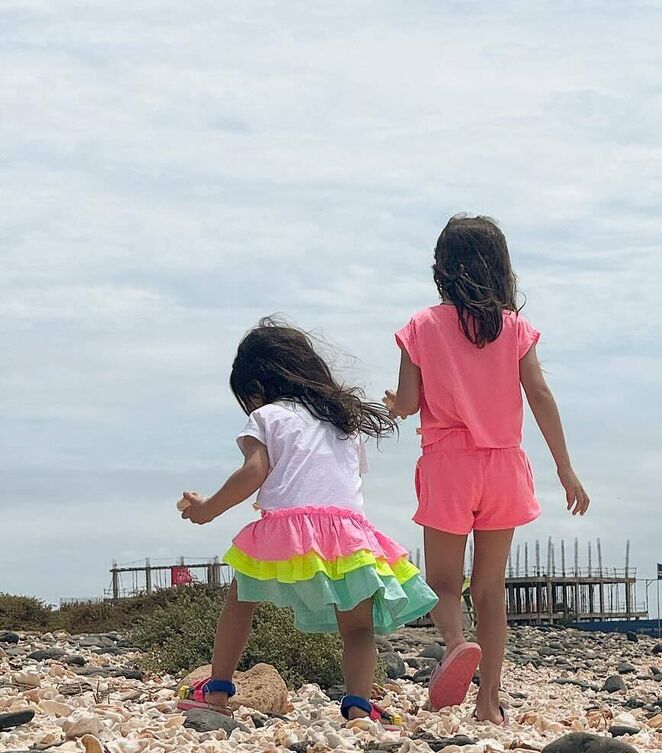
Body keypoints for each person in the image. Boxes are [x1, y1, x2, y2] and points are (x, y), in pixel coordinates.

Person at [177, 317, 437, 725]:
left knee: (241, 603)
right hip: (347, 533)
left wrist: (208, 508)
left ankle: (218, 689)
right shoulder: (344, 421)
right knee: (357, 628)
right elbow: (337, 482)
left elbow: (254, 470)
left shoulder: (267, 417)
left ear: (257, 386)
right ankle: (358, 705)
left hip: (287, 528)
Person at [388, 214, 589, 725]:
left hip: (449, 463)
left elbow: (408, 402)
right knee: (490, 588)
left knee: (442, 581)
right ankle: (489, 701)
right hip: (504, 465)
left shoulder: (422, 326)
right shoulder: (514, 328)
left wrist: (393, 404)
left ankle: (457, 642)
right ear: (500, 266)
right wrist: (565, 469)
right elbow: (539, 394)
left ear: (442, 266)